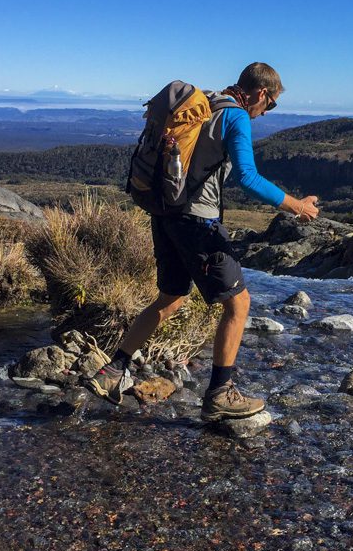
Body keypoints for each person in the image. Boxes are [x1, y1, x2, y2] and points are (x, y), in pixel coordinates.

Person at [85, 62, 320, 420]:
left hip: (166, 215)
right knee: (239, 305)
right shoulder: (236, 117)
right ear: (260, 93)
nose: (265, 112)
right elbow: (248, 178)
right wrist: (296, 206)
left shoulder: (207, 103)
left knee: (171, 298)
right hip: (197, 222)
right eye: (269, 104)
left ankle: (111, 373)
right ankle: (220, 395)